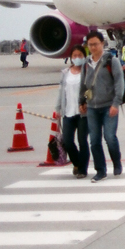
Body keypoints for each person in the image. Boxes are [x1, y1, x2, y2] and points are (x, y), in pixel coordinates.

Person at [79, 31, 125, 182]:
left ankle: (116, 162)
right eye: (90, 45)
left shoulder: (111, 60)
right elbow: (84, 85)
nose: (92, 47)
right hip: (92, 107)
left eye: (95, 44)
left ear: (102, 44)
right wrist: (83, 101)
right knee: (94, 140)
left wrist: (116, 103)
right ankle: (100, 170)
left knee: (110, 137)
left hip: (109, 106)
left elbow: (119, 82)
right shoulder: (86, 64)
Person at [55, 46, 90, 179]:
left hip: (82, 112)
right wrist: (57, 109)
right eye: (74, 55)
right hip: (68, 111)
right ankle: (76, 163)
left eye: (80, 55)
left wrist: (87, 103)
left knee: (82, 140)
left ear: (84, 56)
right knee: (68, 141)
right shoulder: (65, 73)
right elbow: (61, 92)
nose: (77, 58)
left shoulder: (87, 72)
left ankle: (82, 169)